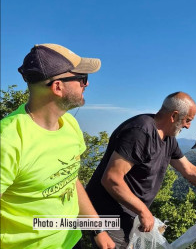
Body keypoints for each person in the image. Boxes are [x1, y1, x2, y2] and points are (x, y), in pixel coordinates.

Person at [85, 92, 196, 248]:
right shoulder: (140, 132)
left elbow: (190, 170)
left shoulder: (168, 138)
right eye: (187, 120)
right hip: (108, 214)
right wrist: (143, 211)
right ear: (174, 116)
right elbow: (111, 179)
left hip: (128, 213)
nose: (188, 126)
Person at [0, 44, 114, 249]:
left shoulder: (69, 124)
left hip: (71, 240)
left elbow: (70, 179)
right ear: (58, 87)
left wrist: (97, 228)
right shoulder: (8, 139)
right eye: (82, 79)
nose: (86, 85)